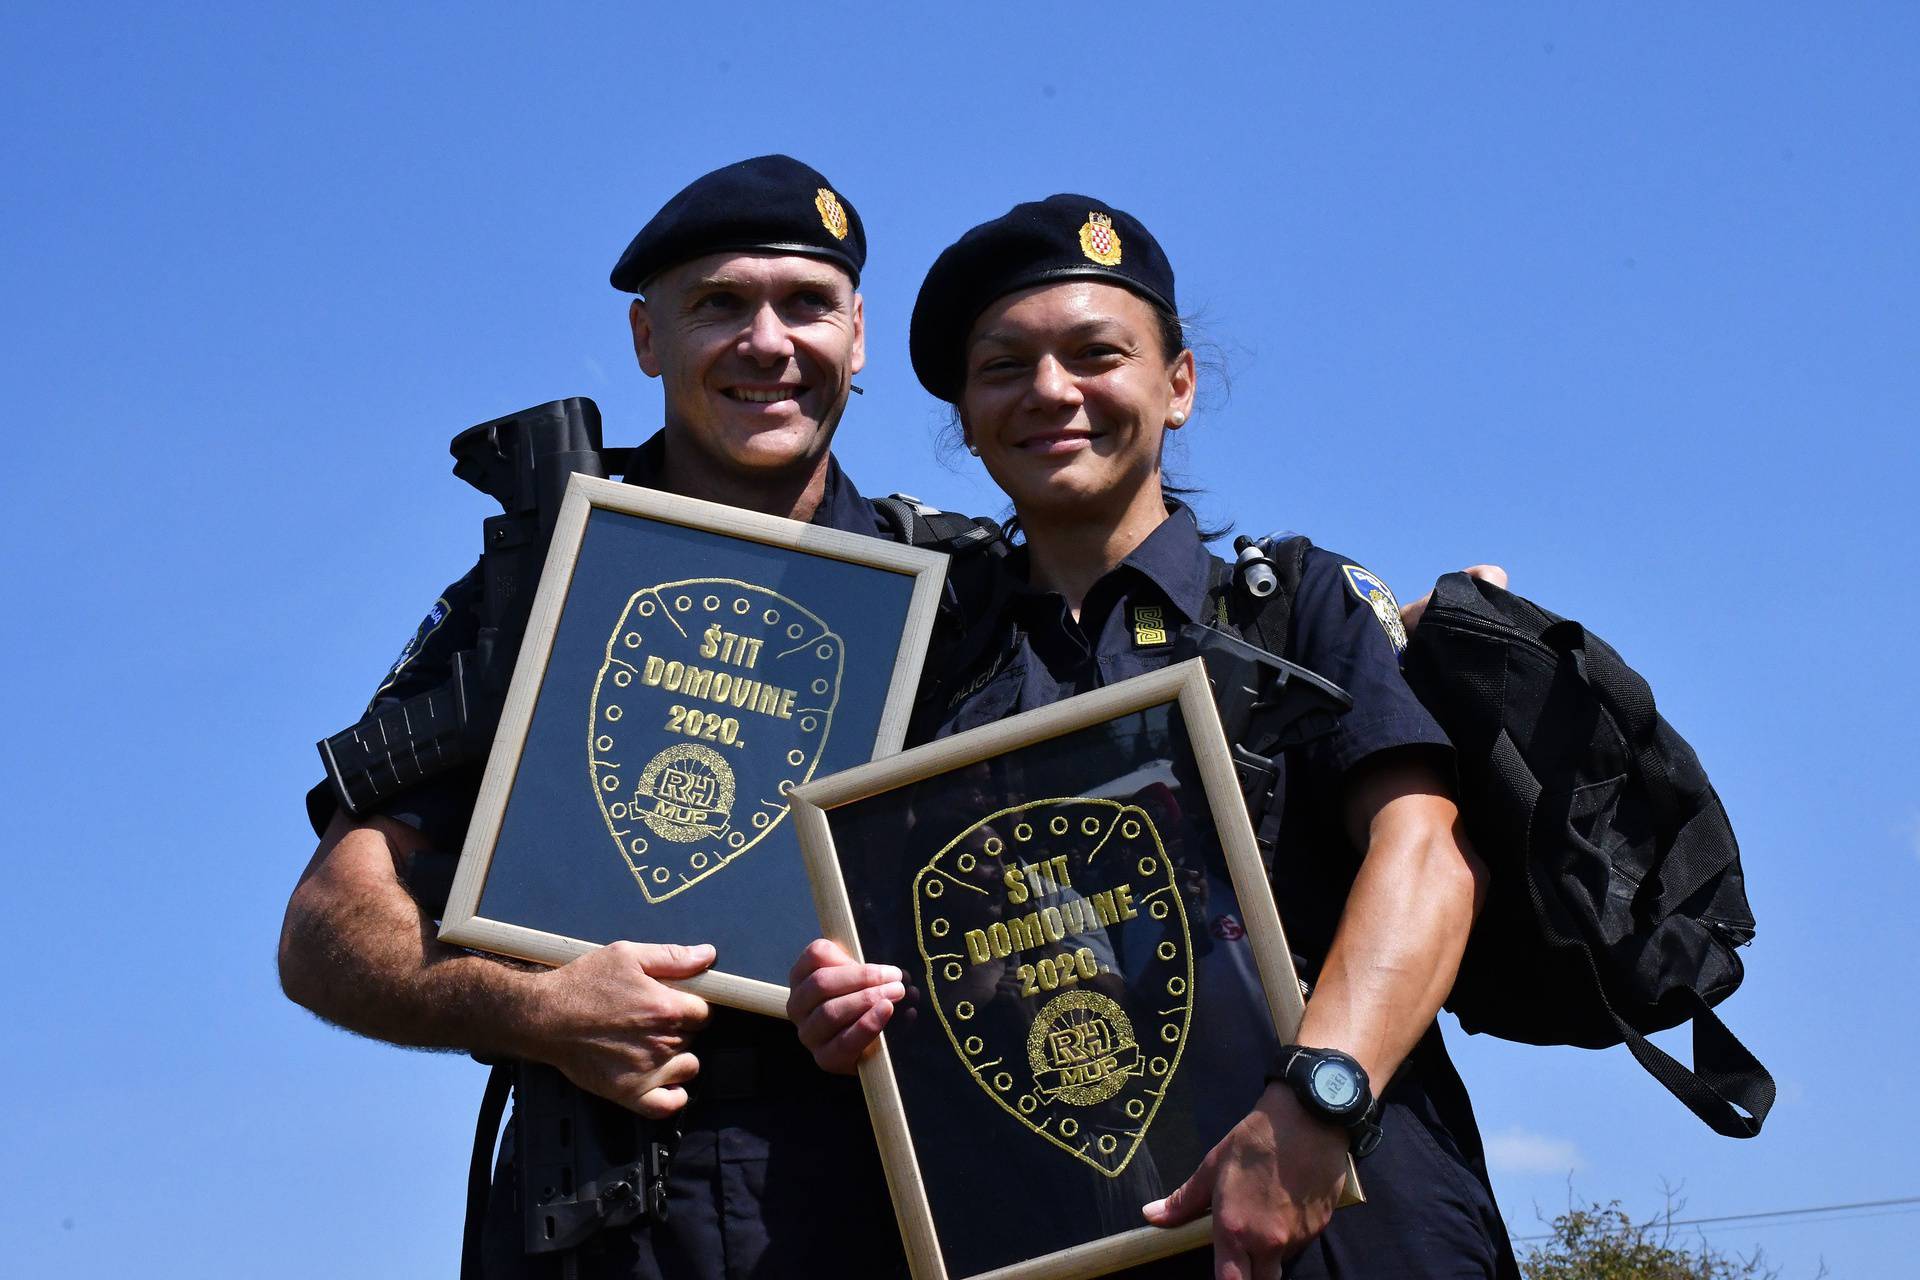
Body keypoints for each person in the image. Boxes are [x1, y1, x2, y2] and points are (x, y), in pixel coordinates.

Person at [788, 195, 1521, 1279]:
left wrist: (1317, 1103)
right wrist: (843, 1006)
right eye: (1004, 367)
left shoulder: (1293, 611)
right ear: (967, 413)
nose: (1051, 392)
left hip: (1355, 1226)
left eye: (1097, 354)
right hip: (1064, 1238)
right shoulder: (917, 678)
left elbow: (1427, 858)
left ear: (1177, 384)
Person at [279, 154, 918, 1279]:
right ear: (643, 339)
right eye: (719, 304)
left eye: (806, 304)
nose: (767, 342)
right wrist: (541, 1007)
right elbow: (326, 927)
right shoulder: (538, 586)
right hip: (603, 1227)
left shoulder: (944, 593)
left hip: (876, 1214)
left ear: (859, 335)